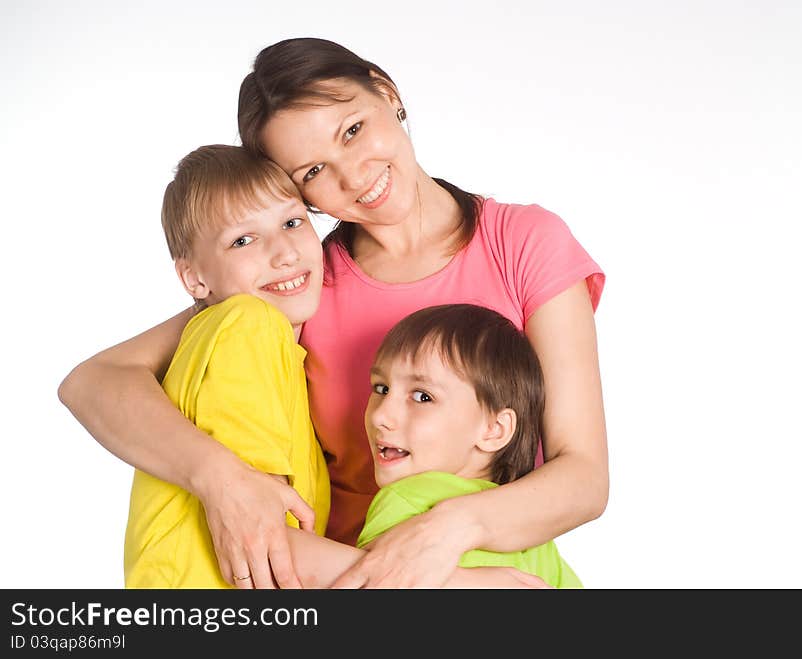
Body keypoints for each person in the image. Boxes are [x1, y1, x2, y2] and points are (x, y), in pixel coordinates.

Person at [58, 37, 608, 589]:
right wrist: (219, 479)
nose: (354, 175)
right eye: (314, 171)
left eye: (352, 130)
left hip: (502, 571)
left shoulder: (523, 243)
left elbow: (583, 477)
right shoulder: (301, 283)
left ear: (386, 92)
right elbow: (95, 381)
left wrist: (447, 534)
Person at [124, 144, 330, 587]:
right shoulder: (248, 327)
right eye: (243, 239)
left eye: (292, 222)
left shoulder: (259, 348)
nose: (285, 253)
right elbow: (269, 546)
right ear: (195, 279)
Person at [281, 303, 579, 588]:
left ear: (494, 430)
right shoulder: (535, 536)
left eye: (422, 396)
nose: (381, 415)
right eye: (381, 389)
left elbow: (284, 557)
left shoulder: (410, 498)